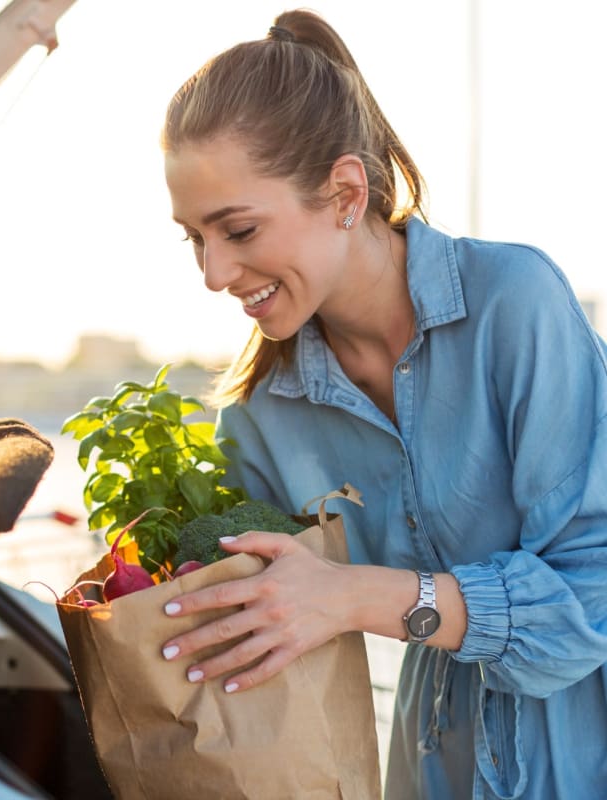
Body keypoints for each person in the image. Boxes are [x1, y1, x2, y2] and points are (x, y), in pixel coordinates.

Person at [155, 8, 607, 799]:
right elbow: (263, 632)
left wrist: (353, 597)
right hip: (430, 772)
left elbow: (589, 604)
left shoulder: (515, 305)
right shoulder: (260, 416)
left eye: (239, 230)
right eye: (194, 237)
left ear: (343, 193)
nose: (214, 273)